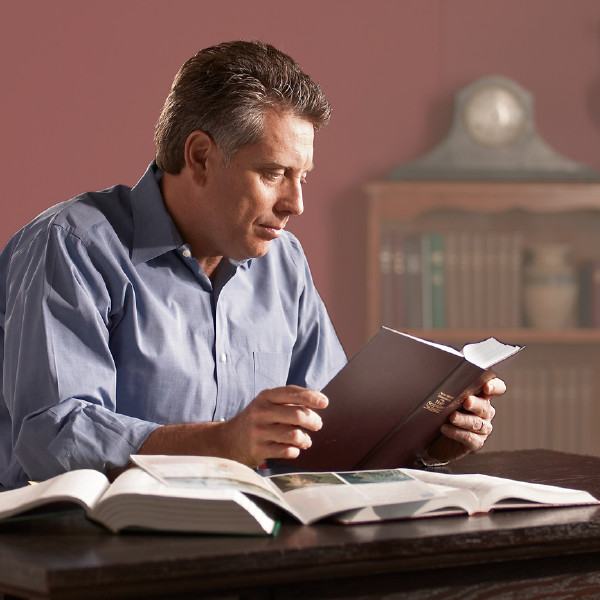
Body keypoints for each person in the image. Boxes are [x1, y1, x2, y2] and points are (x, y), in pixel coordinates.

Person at [0, 40, 505, 490]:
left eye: (302, 176)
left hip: (244, 547)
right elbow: (51, 434)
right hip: (78, 554)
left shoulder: (283, 261)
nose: (295, 203)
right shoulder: (71, 245)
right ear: (199, 156)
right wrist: (223, 442)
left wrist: (427, 439)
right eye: (274, 173)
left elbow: (327, 434)